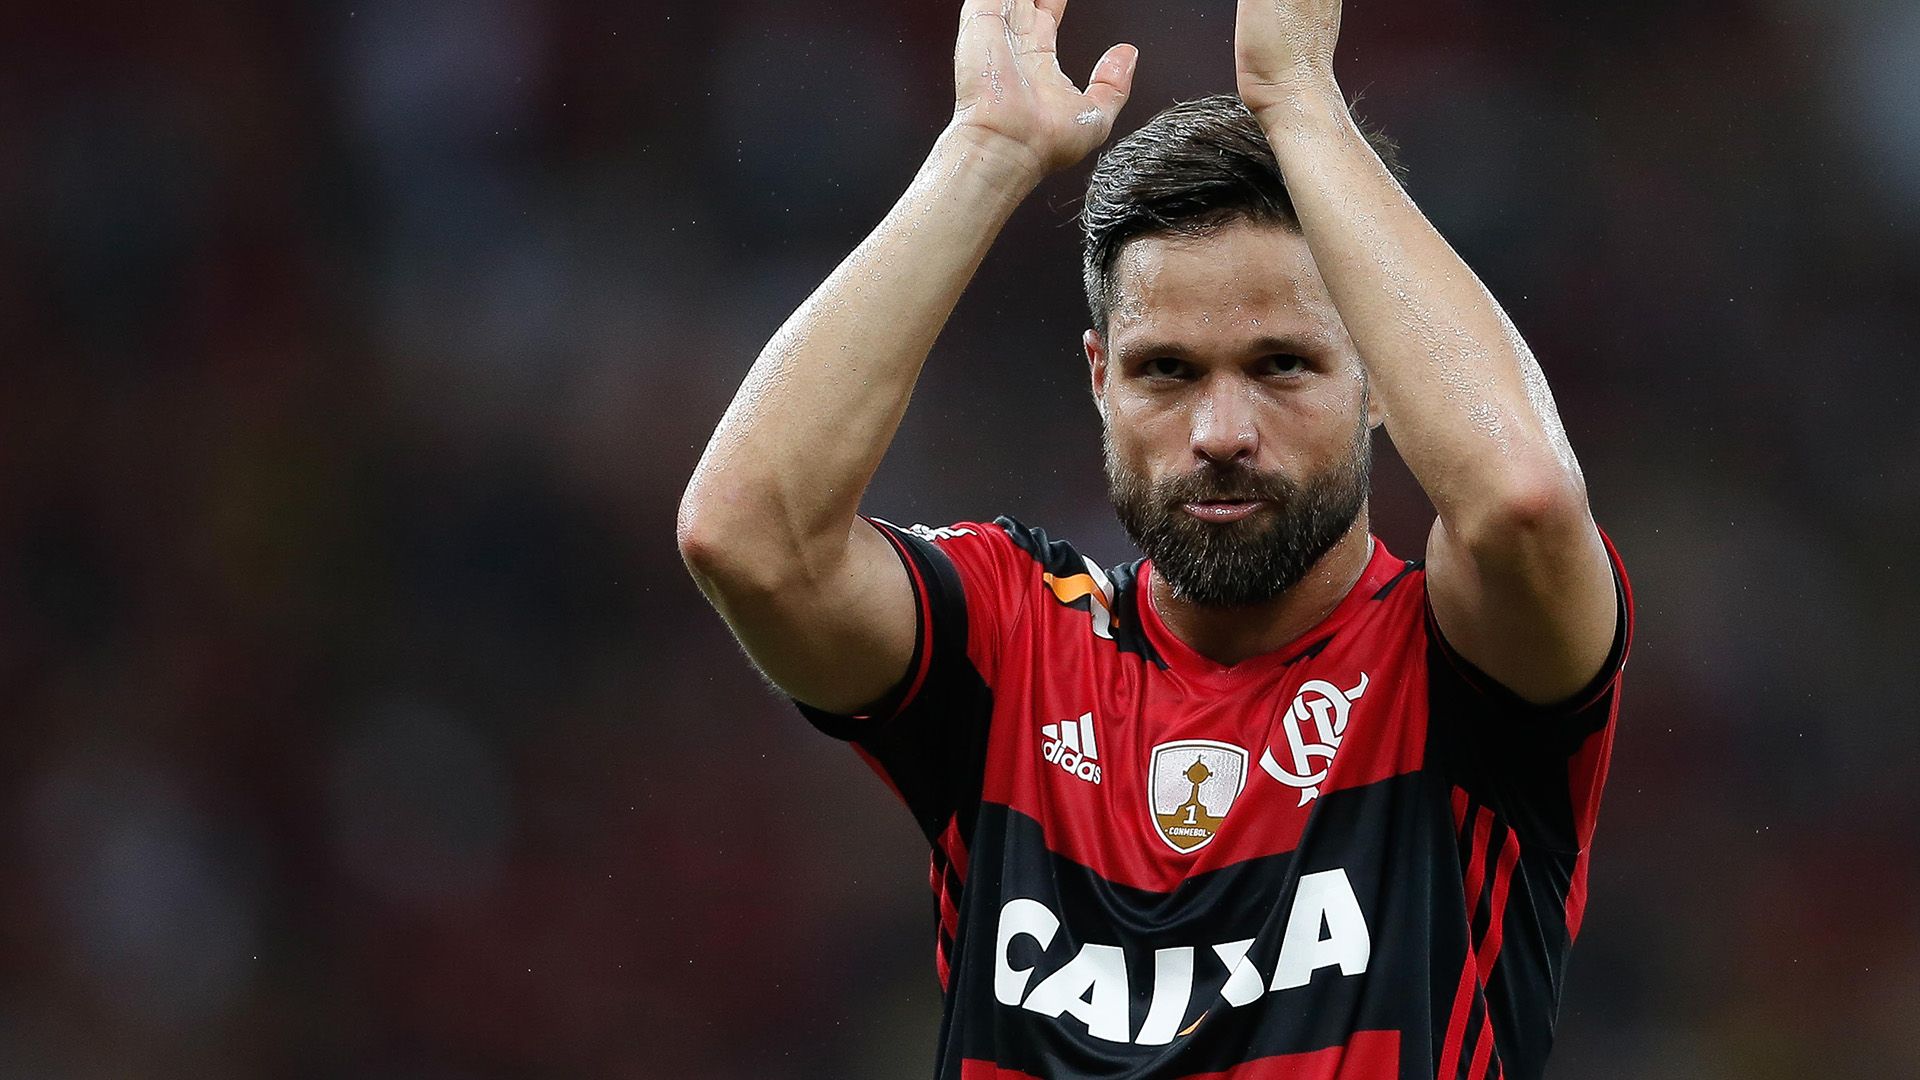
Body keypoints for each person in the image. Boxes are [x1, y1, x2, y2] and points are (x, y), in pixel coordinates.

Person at [677, 0, 1633, 1076]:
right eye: (1166, 371)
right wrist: (983, 154)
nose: (1221, 432)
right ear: (1100, 379)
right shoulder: (1014, 637)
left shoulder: (1459, 661)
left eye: (1281, 365)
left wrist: (1302, 102)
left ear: (1382, 382)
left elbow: (1526, 504)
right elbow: (748, 538)